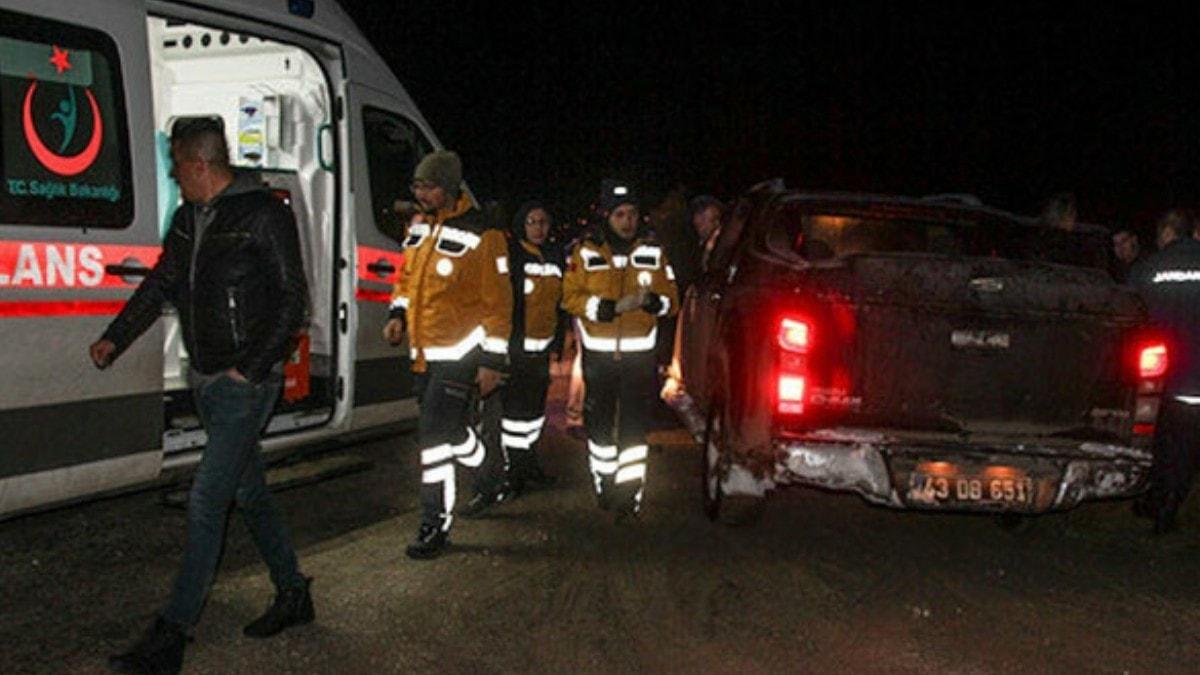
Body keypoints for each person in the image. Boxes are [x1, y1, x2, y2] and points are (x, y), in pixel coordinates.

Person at [92, 118, 313, 674]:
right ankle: (294, 592)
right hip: (207, 379)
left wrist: (250, 368)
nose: (173, 174)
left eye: (175, 166)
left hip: (244, 385)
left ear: (199, 166)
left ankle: (172, 635)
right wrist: (115, 337)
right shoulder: (188, 218)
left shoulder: (264, 214)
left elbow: (293, 300)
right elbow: (162, 282)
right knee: (251, 493)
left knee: (205, 501)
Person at [382, 150, 511, 559]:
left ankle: (434, 524)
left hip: (460, 355)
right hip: (423, 355)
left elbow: (498, 305)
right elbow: (406, 279)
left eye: (429, 186)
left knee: (434, 440)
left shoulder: (485, 235)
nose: (420, 192)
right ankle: (490, 469)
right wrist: (397, 313)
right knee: (450, 431)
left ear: (450, 188)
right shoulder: (419, 229)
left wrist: (492, 362)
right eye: (417, 185)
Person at [562, 179, 679, 520]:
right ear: (606, 216)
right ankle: (604, 480)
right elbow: (570, 297)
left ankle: (629, 493)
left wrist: (655, 302)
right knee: (598, 425)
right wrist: (605, 308)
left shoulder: (653, 252)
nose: (627, 221)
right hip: (599, 358)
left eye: (632, 214)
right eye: (620, 215)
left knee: (634, 427)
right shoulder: (585, 252)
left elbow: (672, 301)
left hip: (639, 359)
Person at [463, 200, 563, 513]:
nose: (538, 228)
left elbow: (558, 305)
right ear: (522, 224)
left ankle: (527, 466)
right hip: (513, 353)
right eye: (532, 222)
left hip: (540, 354)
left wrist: (559, 341)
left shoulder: (556, 256)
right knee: (505, 420)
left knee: (532, 417)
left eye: (543, 221)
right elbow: (502, 303)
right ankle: (503, 478)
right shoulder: (511, 255)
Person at [1130, 209, 1200, 534]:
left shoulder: (1148, 268)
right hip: (1194, 377)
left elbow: (1127, 317)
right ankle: (1167, 510)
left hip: (1153, 377)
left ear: (1168, 231)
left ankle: (1154, 501)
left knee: (1159, 441)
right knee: (1186, 446)